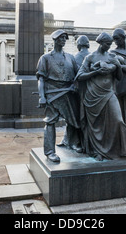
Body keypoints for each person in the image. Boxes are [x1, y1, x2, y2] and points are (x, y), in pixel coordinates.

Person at [76, 32, 126, 162]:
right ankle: (99, 151)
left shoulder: (112, 57)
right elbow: (79, 76)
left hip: (109, 93)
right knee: (98, 126)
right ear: (100, 43)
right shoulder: (90, 58)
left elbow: (119, 77)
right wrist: (96, 71)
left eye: (110, 44)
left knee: (118, 120)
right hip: (93, 95)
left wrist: (117, 66)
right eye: (107, 44)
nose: (109, 46)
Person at [36, 30, 82, 163]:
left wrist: (76, 84)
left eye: (65, 38)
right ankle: (50, 151)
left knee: (73, 120)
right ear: (55, 40)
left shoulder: (70, 57)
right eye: (61, 38)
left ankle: (72, 143)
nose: (63, 40)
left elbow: (78, 74)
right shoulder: (45, 58)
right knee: (50, 121)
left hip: (69, 92)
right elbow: (41, 79)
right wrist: (42, 96)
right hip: (53, 94)